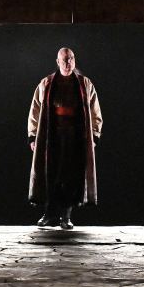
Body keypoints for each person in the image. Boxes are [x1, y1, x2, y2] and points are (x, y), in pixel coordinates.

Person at [27, 48, 103, 230]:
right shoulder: (46, 83)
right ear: (58, 62)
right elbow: (35, 110)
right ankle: (49, 214)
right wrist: (33, 135)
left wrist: (94, 135)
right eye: (64, 60)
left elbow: (95, 112)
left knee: (71, 175)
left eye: (71, 59)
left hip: (75, 138)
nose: (68, 63)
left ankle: (66, 217)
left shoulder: (85, 84)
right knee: (51, 174)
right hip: (52, 137)